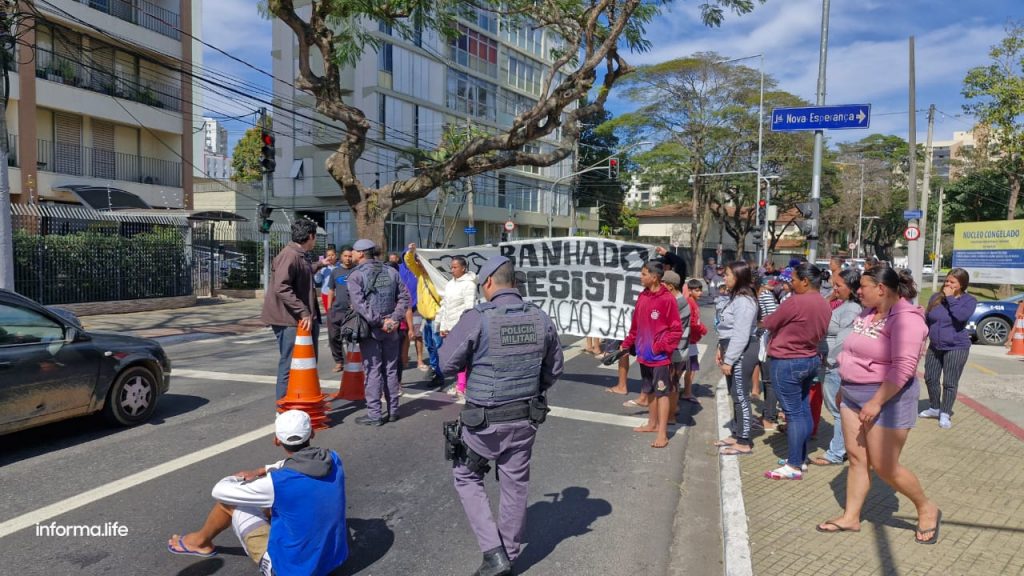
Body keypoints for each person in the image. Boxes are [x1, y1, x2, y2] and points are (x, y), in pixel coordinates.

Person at [439, 255, 564, 576]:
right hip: (525, 418)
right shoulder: (540, 318)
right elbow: (554, 369)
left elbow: (445, 363)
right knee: (515, 484)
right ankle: (508, 553)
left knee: (466, 476)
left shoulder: (477, 318)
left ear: (490, 283)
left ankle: (494, 554)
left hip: (484, 421)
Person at [816, 267, 941, 544]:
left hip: (888, 400)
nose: (858, 290)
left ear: (881, 289)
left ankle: (926, 507)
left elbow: (903, 368)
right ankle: (851, 517)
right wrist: (844, 388)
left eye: (863, 286)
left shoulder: (907, 321)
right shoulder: (868, 313)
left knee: (885, 466)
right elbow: (852, 350)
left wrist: (875, 401)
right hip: (852, 395)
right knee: (858, 459)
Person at [167, 410, 348, 575]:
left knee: (229, 503)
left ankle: (199, 542)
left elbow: (220, 491)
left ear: (277, 440)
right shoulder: (333, 459)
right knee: (285, 504)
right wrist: (262, 470)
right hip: (333, 560)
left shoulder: (277, 483)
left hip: (291, 570)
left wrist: (237, 479)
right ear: (312, 434)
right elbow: (297, 463)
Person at [760, 263, 831, 479]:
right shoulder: (824, 303)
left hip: (787, 360)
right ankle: (799, 459)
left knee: (793, 414)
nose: (791, 283)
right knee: (802, 409)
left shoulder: (796, 301)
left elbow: (770, 322)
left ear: (805, 281)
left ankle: (793, 465)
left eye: (794, 279)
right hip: (809, 358)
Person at [347, 239, 410, 426]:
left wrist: (380, 321)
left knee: (373, 371)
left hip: (372, 329)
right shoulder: (391, 271)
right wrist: (393, 320)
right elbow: (404, 297)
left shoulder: (356, 276)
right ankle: (393, 411)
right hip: (391, 328)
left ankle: (374, 414)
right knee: (390, 370)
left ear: (360, 253)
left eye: (354, 251)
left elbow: (360, 305)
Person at [621, 261, 683, 449]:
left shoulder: (667, 299)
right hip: (643, 355)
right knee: (649, 391)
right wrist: (627, 344)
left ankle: (662, 434)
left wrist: (660, 347)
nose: (641, 277)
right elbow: (635, 326)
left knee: (662, 393)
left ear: (654, 277)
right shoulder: (642, 296)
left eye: (643, 274)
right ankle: (652, 424)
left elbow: (676, 330)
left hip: (660, 358)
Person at [261, 219, 323, 401]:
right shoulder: (290, 255)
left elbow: (301, 272)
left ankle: (298, 401)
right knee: (290, 364)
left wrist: (320, 265)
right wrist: (303, 311)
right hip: (288, 320)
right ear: (310, 236)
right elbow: (282, 286)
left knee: (303, 364)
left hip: (297, 318)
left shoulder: (299, 254)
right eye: (315, 237)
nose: (315, 241)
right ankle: (283, 407)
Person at [810, 268, 862, 466]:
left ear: (851, 287)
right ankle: (843, 448)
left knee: (838, 411)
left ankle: (836, 453)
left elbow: (844, 340)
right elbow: (818, 307)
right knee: (838, 410)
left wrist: (830, 360)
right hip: (831, 363)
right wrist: (832, 295)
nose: (834, 288)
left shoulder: (851, 309)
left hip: (835, 365)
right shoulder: (845, 305)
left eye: (838, 285)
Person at [920, 268, 978, 429]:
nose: (947, 284)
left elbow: (960, 317)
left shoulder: (969, 300)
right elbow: (927, 320)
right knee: (930, 377)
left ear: (961, 284)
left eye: (952, 282)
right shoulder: (936, 298)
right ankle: (934, 407)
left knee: (950, 382)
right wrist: (922, 340)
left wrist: (951, 298)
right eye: (947, 281)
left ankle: (945, 413)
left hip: (956, 347)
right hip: (935, 346)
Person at [712, 261, 759, 456]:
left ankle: (744, 441)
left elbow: (741, 334)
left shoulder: (744, 301)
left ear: (738, 277)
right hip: (729, 346)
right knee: (735, 393)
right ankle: (737, 433)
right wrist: (720, 349)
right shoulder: (735, 298)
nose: (724, 278)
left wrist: (729, 360)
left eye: (728, 275)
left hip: (740, 350)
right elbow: (726, 328)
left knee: (740, 395)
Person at [405, 243, 445, 388]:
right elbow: (408, 262)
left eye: (421, 262)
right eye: (418, 262)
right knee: (430, 346)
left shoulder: (437, 278)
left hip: (436, 319)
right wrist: (411, 251)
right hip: (426, 319)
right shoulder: (420, 274)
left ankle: (439, 373)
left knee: (438, 347)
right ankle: (435, 371)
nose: (418, 264)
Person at [437, 256, 478, 396]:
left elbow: (469, 308)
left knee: (463, 357)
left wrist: (462, 327)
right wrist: (443, 326)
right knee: (455, 357)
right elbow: (445, 306)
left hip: (461, 327)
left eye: (455, 267)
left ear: (463, 268)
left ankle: (462, 386)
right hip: (449, 327)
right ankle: (461, 384)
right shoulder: (449, 284)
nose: (452, 270)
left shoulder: (469, 284)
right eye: (451, 267)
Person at [662, 271, 691, 424]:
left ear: (670, 286)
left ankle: (671, 415)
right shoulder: (678, 300)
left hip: (676, 350)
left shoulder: (677, 303)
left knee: (671, 383)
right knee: (672, 382)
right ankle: (672, 411)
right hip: (678, 348)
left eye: (662, 284)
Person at [326, 245, 356, 372]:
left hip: (352, 312)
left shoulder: (357, 270)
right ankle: (339, 361)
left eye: (350, 256)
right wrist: (329, 309)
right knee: (333, 337)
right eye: (345, 256)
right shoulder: (335, 272)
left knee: (351, 338)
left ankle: (352, 361)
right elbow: (331, 290)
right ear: (341, 257)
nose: (348, 259)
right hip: (337, 310)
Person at [398, 250, 427, 372]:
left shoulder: (419, 269)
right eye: (406, 256)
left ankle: (420, 360)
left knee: (417, 335)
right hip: (401, 306)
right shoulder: (398, 269)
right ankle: (403, 360)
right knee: (405, 335)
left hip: (416, 307)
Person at [683, 279, 706, 402]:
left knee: (691, 367)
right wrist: (702, 329)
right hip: (689, 340)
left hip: (691, 340)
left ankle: (686, 390)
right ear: (690, 291)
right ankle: (687, 392)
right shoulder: (689, 303)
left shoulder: (693, 303)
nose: (700, 293)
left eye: (700, 290)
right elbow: (692, 322)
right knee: (691, 368)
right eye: (696, 290)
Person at [313, 248, 339, 312]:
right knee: (329, 312)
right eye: (328, 255)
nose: (330, 257)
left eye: (332, 255)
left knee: (338, 313)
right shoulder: (323, 268)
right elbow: (318, 280)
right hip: (326, 294)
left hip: (338, 294)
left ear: (336, 256)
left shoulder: (340, 267)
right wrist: (318, 271)